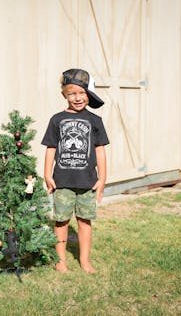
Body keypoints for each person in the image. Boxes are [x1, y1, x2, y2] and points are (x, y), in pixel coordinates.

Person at [41, 68, 109, 273]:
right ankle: (60, 261)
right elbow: (51, 148)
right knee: (61, 221)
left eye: (81, 93)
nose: (77, 98)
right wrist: (47, 174)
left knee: (84, 221)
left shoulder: (95, 121)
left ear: (88, 94)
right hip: (62, 181)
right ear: (64, 94)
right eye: (72, 93)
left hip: (87, 181)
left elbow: (100, 151)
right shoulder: (56, 119)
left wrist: (102, 178)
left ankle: (85, 261)